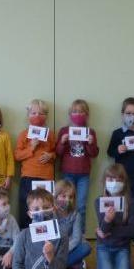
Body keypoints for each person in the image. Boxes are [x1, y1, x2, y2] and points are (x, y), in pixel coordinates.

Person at [107, 97, 134, 241]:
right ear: (123, 114)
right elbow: (110, 152)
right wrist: (118, 150)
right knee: (121, 205)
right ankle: (121, 233)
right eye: (129, 113)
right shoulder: (118, 133)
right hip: (121, 178)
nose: (132, 116)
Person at [55, 99, 99, 236]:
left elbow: (94, 154)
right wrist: (62, 142)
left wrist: (90, 144)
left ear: (87, 114)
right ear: (70, 114)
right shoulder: (64, 131)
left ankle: (80, 234)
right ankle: (64, 232)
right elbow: (58, 152)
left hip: (83, 175)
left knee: (80, 205)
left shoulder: (90, 131)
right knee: (64, 204)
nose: (78, 114)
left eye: (81, 111)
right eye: (75, 111)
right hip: (67, 174)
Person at [15, 99, 56, 228]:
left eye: (41, 113)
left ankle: (47, 234)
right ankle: (25, 234)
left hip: (46, 177)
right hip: (28, 176)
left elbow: (56, 153)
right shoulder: (24, 134)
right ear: (28, 115)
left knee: (46, 207)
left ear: (46, 116)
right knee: (26, 207)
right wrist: (31, 148)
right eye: (33, 113)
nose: (37, 116)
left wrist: (51, 155)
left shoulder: (50, 134)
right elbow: (17, 155)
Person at [94, 165, 134, 269]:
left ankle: (116, 263)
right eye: (111, 179)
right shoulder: (99, 201)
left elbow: (133, 230)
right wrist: (107, 220)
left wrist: (107, 231)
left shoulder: (131, 203)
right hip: (104, 246)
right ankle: (106, 263)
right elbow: (103, 230)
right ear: (105, 181)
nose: (114, 183)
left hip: (122, 247)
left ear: (124, 182)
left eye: (119, 180)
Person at [53, 180, 91, 269]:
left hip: (68, 248)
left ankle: (57, 266)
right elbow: (50, 236)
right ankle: (72, 265)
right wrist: (53, 214)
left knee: (86, 247)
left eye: (70, 197)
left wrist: (62, 250)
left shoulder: (76, 215)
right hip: (54, 248)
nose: (67, 199)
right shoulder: (52, 213)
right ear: (56, 197)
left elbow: (76, 239)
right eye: (63, 196)